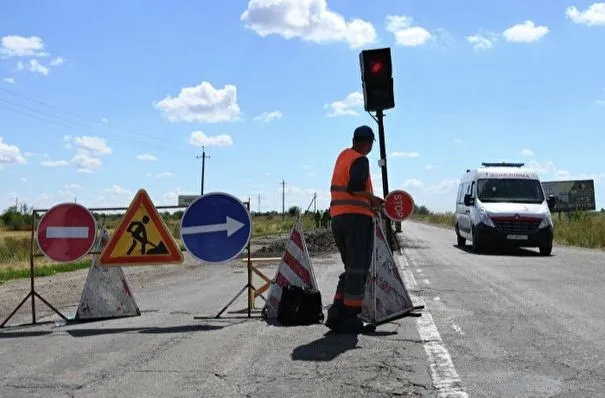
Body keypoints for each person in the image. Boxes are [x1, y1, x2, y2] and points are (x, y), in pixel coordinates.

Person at [326, 125, 384, 333]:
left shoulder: (343, 156)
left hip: (339, 218)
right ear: (368, 143)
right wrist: (373, 199)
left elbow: (346, 191)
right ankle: (351, 317)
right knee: (358, 268)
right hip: (356, 220)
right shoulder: (360, 159)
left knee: (350, 267)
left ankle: (337, 311)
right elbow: (355, 188)